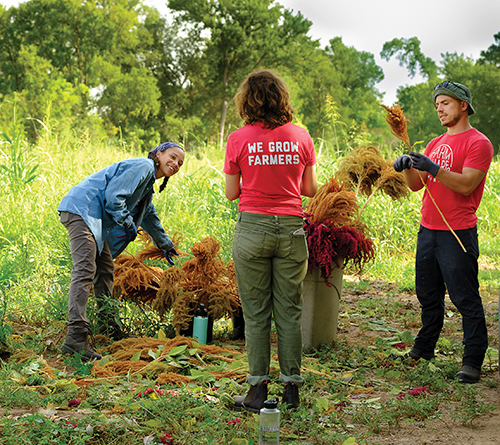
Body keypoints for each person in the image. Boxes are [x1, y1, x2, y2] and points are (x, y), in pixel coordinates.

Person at [224, 68, 317, 411]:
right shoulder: (301, 136)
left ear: (247, 100)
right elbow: (309, 190)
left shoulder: (238, 138)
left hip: (253, 229)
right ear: (282, 97)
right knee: (290, 311)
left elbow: (231, 193)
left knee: (256, 313)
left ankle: (257, 392)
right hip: (292, 229)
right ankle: (292, 391)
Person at [393, 81, 493, 383]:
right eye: (437, 104)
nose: (439, 108)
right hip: (428, 230)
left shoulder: (479, 143)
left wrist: (434, 168)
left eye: (446, 103)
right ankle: (423, 350)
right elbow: (416, 185)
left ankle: (473, 361)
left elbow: (466, 184)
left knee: (465, 299)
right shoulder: (436, 143)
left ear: (463, 105)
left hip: (457, 232)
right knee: (428, 295)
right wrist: (409, 166)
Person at [58, 142, 184, 361]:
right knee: (85, 269)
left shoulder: (146, 186)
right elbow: (114, 198)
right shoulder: (144, 166)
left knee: (105, 269)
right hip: (83, 211)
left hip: (94, 220)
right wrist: (128, 223)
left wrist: (165, 244)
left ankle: (109, 328)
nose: (175, 164)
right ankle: (75, 338)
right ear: (159, 153)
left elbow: (149, 216)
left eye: (180, 163)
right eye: (172, 157)